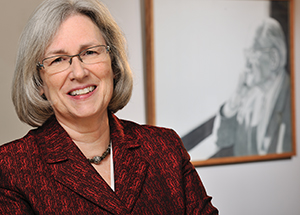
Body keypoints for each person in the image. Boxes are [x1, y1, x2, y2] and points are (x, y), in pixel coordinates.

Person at [0, 0, 218, 214]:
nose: (79, 72)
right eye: (58, 59)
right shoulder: (11, 167)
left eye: (90, 52)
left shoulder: (164, 147)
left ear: (113, 65)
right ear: (39, 83)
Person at [183, 17, 292, 158]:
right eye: (245, 54)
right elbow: (222, 139)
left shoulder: (292, 99)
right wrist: (234, 101)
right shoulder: (249, 99)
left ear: (273, 58)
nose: (246, 65)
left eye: (252, 54)